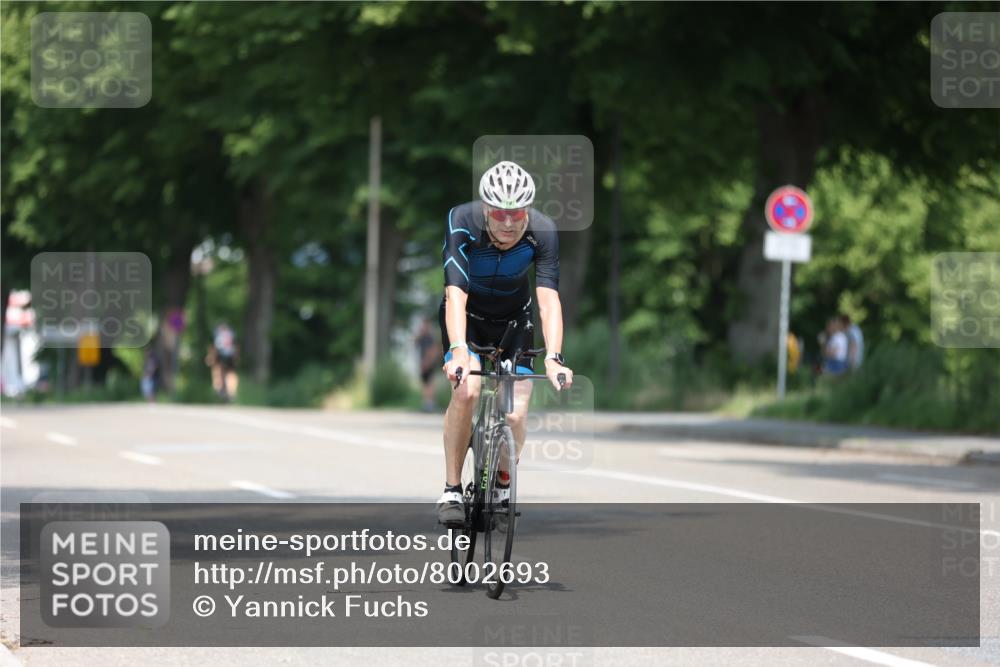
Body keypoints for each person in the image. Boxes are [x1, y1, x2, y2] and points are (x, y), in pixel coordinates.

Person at [437, 160, 574, 525]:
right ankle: (451, 488)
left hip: (516, 321)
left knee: (514, 411)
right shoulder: (462, 222)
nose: (509, 223)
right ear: (486, 208)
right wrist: (459, 351)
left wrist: (555, 357)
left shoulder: (542, 231)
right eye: (500, 213)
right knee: (467, 391)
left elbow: (548, 300)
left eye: (517, 213)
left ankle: (501, 481)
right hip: (468, 320)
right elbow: (455, 294)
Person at [207, 323, 239, 401]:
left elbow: (213, 347)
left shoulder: (217, 333)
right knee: (231, 372)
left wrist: (210, 357)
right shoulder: (231, 333)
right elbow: (236, 345)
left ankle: (218, 386)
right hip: (231, 354)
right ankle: (232, 391)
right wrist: (237, 356)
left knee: (217, 368)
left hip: (220, 353)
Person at [415, 316, 438, 412]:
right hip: (423, 363)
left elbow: (433, 350)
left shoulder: (430, 337)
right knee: (425, 384)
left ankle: (430, 404)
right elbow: (415, 342)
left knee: (429, 384)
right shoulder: (422, 337)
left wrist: (427, 362)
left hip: (428, 363)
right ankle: (426, 403)